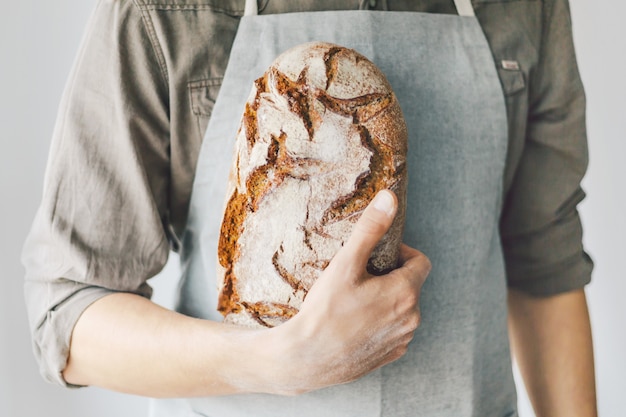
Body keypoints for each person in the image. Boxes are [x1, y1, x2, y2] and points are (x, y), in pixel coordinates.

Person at [22, 0, 596, 416]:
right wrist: (269, 362)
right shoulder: (168, 11)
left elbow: (544, 266)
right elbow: (69, 314)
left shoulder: (525, 9)